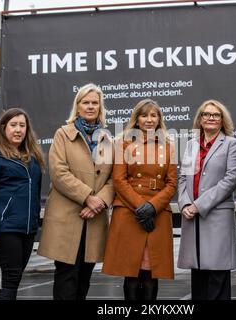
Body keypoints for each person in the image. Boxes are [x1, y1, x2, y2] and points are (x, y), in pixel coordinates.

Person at [37, 83, 115, 300]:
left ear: (100, 107)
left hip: (94, 218)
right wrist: (88, 197)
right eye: (85, 102)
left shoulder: (107, 139)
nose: (90, 106)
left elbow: (112, 178)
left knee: (84, 279)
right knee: (66, 278)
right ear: (77, 106)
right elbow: (58, 172)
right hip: (67, 217)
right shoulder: (63, 134)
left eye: (94, 103)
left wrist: (99, 201)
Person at [102, 99, 177, 300]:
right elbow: (119, 180)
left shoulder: (169, 146)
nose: (149, 120)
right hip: (129, 211)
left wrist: (152, 207)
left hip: (158, 212)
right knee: (132, 272)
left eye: (154, 115)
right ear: (137, 119)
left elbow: (172, 184)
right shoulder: (123, 143)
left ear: (159, 119)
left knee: (152, 271)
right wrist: (141, 206)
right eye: (144, 115)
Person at [0, 108, 45, 300]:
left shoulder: (32, 157)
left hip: (27, 228)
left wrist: (36, 220)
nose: (18, 130)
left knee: (13, 277)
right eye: (13, 125)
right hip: (5, 227)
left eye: (22, 125)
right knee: (11, 277)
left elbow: (35, 191)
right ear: (3, 128)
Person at [177, 100, 236, 300]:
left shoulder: (232, 144)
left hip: (216, 217)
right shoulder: (190, 145)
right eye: (206, 114)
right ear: (200, 119)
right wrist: (185, 203)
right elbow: (182, 178)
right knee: (198, 274)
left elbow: (231, 180)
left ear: (223, 121)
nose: (211, 118)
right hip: (192, 217)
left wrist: (199, 205)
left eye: (216, 115)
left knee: (217, 275)